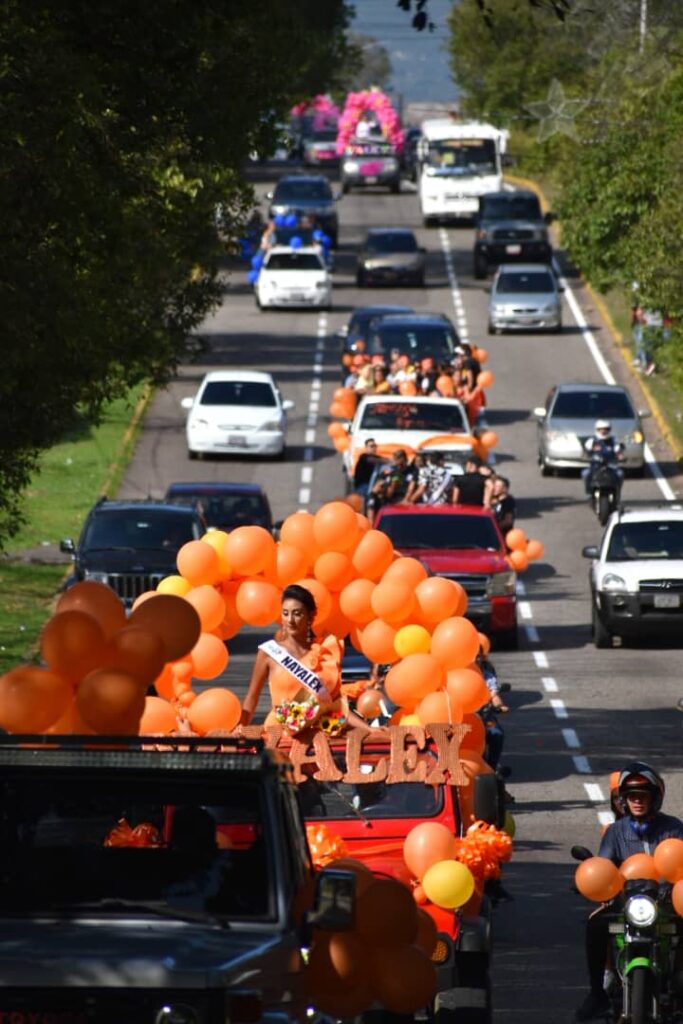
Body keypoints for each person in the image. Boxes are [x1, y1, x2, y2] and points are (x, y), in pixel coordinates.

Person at [575, 762, 683, 1022]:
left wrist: (670, 892)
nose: (637, 801)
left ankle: (679, 987)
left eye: (642, 796)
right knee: (594, 924)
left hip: (666, 903)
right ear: (623, 801)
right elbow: (605, 865)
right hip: (628, 903)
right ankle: (597, 992)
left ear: (654, 798)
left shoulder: (674, 827)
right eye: (631, 796)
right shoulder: (615, 832)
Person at [240, 584, 344, 727]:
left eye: (297, 613)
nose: (290, 620)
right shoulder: (269, 652)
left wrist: (367, 728)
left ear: (311, 616)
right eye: (285, 613)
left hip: (317, 736)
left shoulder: (323, 653)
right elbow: (252, 698)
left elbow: (335, 704)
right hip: (278, 735)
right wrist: (239, 730)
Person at [366, 448, 411, 525]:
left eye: (398, 459)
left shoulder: (407, 471)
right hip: (387, 497)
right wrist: (379, 490)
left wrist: (385, 491)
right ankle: (370, 523)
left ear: (404, 459)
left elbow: (391, 491)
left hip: (398, 498)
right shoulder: (389, 471)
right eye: (395, 459)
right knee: (372, 497)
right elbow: (378, 486)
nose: (397, 462)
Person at [582, 419, 624, 496]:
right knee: (585, 473)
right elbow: (586, 452)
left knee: (620, 474)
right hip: (596, 465)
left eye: (605, 429)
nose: (603, 431)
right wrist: (587, 455)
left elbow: (618, 451)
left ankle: (617, 492)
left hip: (611, 465)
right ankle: (589, 492)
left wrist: (620, 456)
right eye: (600, 429)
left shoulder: (613, 440)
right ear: (597, 429)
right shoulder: (592, 441)